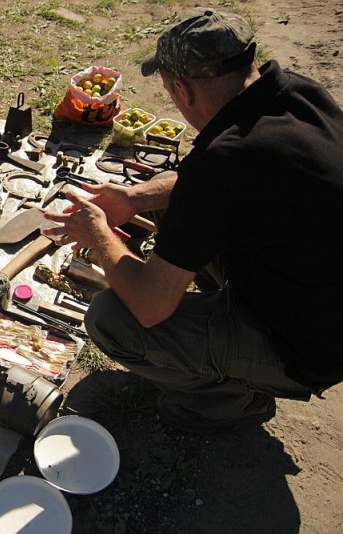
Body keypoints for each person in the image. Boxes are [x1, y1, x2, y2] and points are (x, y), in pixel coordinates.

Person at [43, 8, 343, 430]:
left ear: (182, 90)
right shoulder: (295, 94)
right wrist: (131, 198)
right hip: (318, 290)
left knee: (110, 317)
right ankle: (218, 322)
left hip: (307, 346)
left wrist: (98, 234)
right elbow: (214, 185)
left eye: (167, 90)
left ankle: (231, 401)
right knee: (167, 196)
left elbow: (148, 306)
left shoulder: (224, 162)